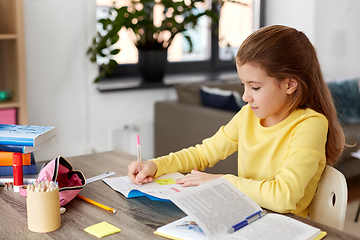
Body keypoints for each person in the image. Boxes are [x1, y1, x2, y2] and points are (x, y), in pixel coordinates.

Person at [127, 25, 345, 218]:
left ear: (290, 85)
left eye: (255, 87)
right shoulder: (248, 115)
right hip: (248, 215)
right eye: (244, 85)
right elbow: (203, 153)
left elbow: (283, 197)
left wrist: (220, 182)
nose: (245, 97)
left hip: (285, 226)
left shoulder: (310, 124)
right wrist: (156, 165)